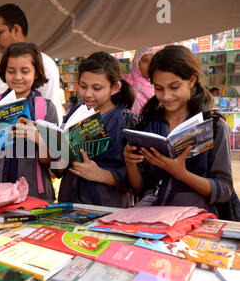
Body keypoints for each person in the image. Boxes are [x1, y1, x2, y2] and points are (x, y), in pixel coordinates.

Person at [124, 45, 233, 212]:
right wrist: (130, 162)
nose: (166, 96)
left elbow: (224, 190)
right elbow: (140, 187)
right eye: (159, 88)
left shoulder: (214, 126)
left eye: (174, 87)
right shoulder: (150, 124)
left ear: (191, 80)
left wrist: (181, 173)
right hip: (153, 218)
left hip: (196, 221)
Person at [55, 51, 136, 208]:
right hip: (69, 202)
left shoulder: (126, 122)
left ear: (115, 87)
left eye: (97, 88)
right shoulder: (75, 113)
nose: (88, 94)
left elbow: (139, 178)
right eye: (83, 86)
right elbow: (58, 168)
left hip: (105, 207)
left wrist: (104, 175)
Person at [0, 42, 58, 201]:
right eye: (11, 71)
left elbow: (49, 160)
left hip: (34, 193)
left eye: (25, 71)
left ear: (36, 73)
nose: (17, 77)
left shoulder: (46, 108)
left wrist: (38, 138)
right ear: (3, 72)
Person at [0, 3, 63, 125]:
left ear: (16, 29)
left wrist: (39, 137)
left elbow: (49, 117)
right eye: (10, 71)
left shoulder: (46, 64)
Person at [123, 47, 155, 115]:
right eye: (145, 61)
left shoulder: (158, 84)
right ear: (136, 63)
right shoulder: (126, 84)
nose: (150, 65)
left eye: (152, 61)